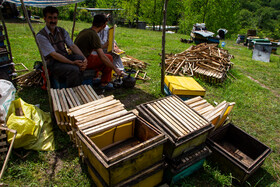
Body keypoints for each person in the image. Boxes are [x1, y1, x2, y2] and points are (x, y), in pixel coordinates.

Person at [36, 6, 87, 88]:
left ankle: (78, 85)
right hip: (53, 62)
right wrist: (72, 63)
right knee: (74, 69)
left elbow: (72, 46)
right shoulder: (41, 36)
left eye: (55, 18)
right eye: (50, 18)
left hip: (64, 57)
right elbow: (54, 55)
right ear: (44, 18)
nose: (53, 21)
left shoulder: (62, 31)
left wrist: (84, 58)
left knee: (81, 60)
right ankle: (72, 90)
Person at [74, 14, 122, 89]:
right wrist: (115, 69)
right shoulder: (93, 35)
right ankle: (104, 83)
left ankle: (94, 78)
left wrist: (103, 46)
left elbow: (92, 48)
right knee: (108, 57)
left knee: (97, 58)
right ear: (104, 25)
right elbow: (102, 56)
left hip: (77, 58)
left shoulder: (85, 31)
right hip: (83, 61)